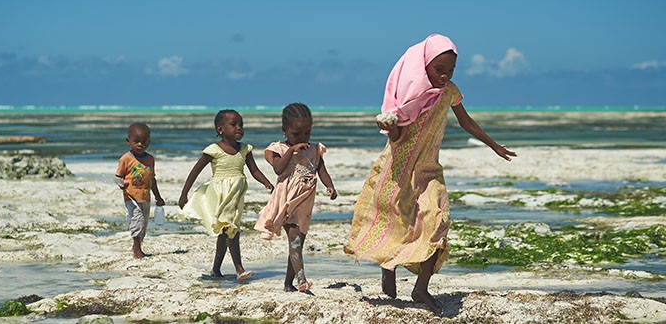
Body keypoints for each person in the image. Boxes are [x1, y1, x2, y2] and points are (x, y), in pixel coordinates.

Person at [345, 34, 516, 314]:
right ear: (424, 65)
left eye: (450, 70)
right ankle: (388, 271)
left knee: (438, 221)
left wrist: (493, 144)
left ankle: (420, 287)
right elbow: (397, 138)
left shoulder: (450, 92)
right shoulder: (409, 98)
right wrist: (389, 124)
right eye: (439, 69)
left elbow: (466, 121)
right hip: (397, 171)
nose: (445, 75)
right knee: (394, 223)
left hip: (428, 170)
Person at [179, 109, 273, 282]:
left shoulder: (245, 149)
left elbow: (254, 170)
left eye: (241, 125)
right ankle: (239, 268)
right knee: (232, 229)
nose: (239, 128)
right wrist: (184, 194)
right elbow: (195, 171)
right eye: (234, 124)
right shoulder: (213, 150)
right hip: (219, 196)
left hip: (236, 195)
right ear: (220, 129)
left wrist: (266, 182)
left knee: (225, 232)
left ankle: (216, 269)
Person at [254, 103, 338, 293]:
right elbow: (278, 169)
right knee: (295, 242)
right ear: (285, 131)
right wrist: (291, 150)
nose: (302, 138)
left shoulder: (314, 149)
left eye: (307, 133)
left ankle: (287, 283)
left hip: (305, 202)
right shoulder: (279, 149)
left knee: (298, 243)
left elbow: (321, 169)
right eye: (296, 134)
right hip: (286, 201)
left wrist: (330, 186)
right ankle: (302, 280)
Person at [116, 122, 165, 259]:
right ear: (128, 141)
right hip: (131, 196)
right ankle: (137, 250)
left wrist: (158, 197)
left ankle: (137, 246)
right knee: (137, 221)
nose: (140, 145)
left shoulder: (150, 159)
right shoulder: (126, 159)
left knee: (144, 224)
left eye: (144, 142)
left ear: (149, 142)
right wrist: (122, 184)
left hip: (145, 196)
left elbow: (152, 179)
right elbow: (118, 177)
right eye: (136, 141)